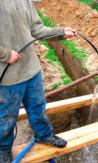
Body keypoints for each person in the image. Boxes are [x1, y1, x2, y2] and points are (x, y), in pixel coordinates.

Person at [0, 0, 77, 162]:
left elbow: (37, 28)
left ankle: (44, 135)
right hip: (8, 76)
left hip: (31, 69)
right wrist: (5, 54)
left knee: (38, 107)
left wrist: (61, 32)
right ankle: (3, 148)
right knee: (7, 116)